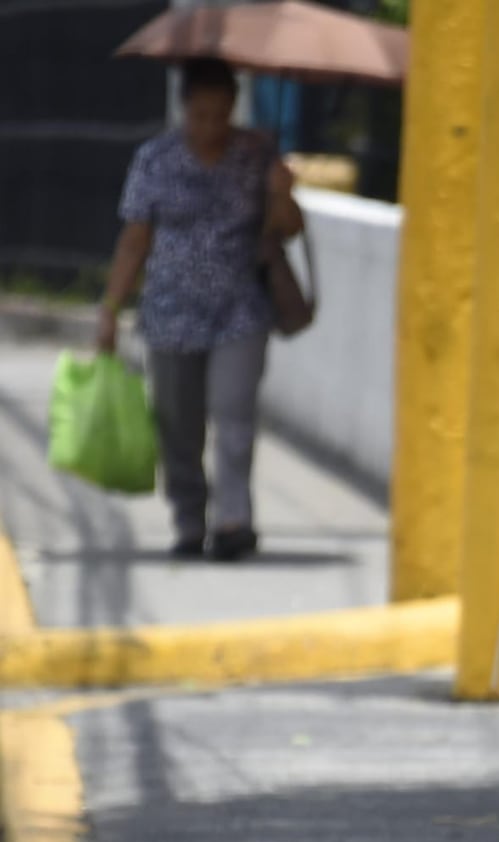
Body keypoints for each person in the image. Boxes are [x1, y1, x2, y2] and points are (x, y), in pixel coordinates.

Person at [97, 58, 303, 561]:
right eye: (200, 114)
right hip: (170, 313)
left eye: (220, 113)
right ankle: (190, 519)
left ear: (233, 107)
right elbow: (134, 240)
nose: (210, 125)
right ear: (184, 108)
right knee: (178, 426)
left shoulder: (256, 154)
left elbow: (289, 227)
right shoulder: (155, 159)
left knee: (234, 416)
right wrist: (109, 309)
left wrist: (281, 192)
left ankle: (234, 519)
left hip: (240, 310)